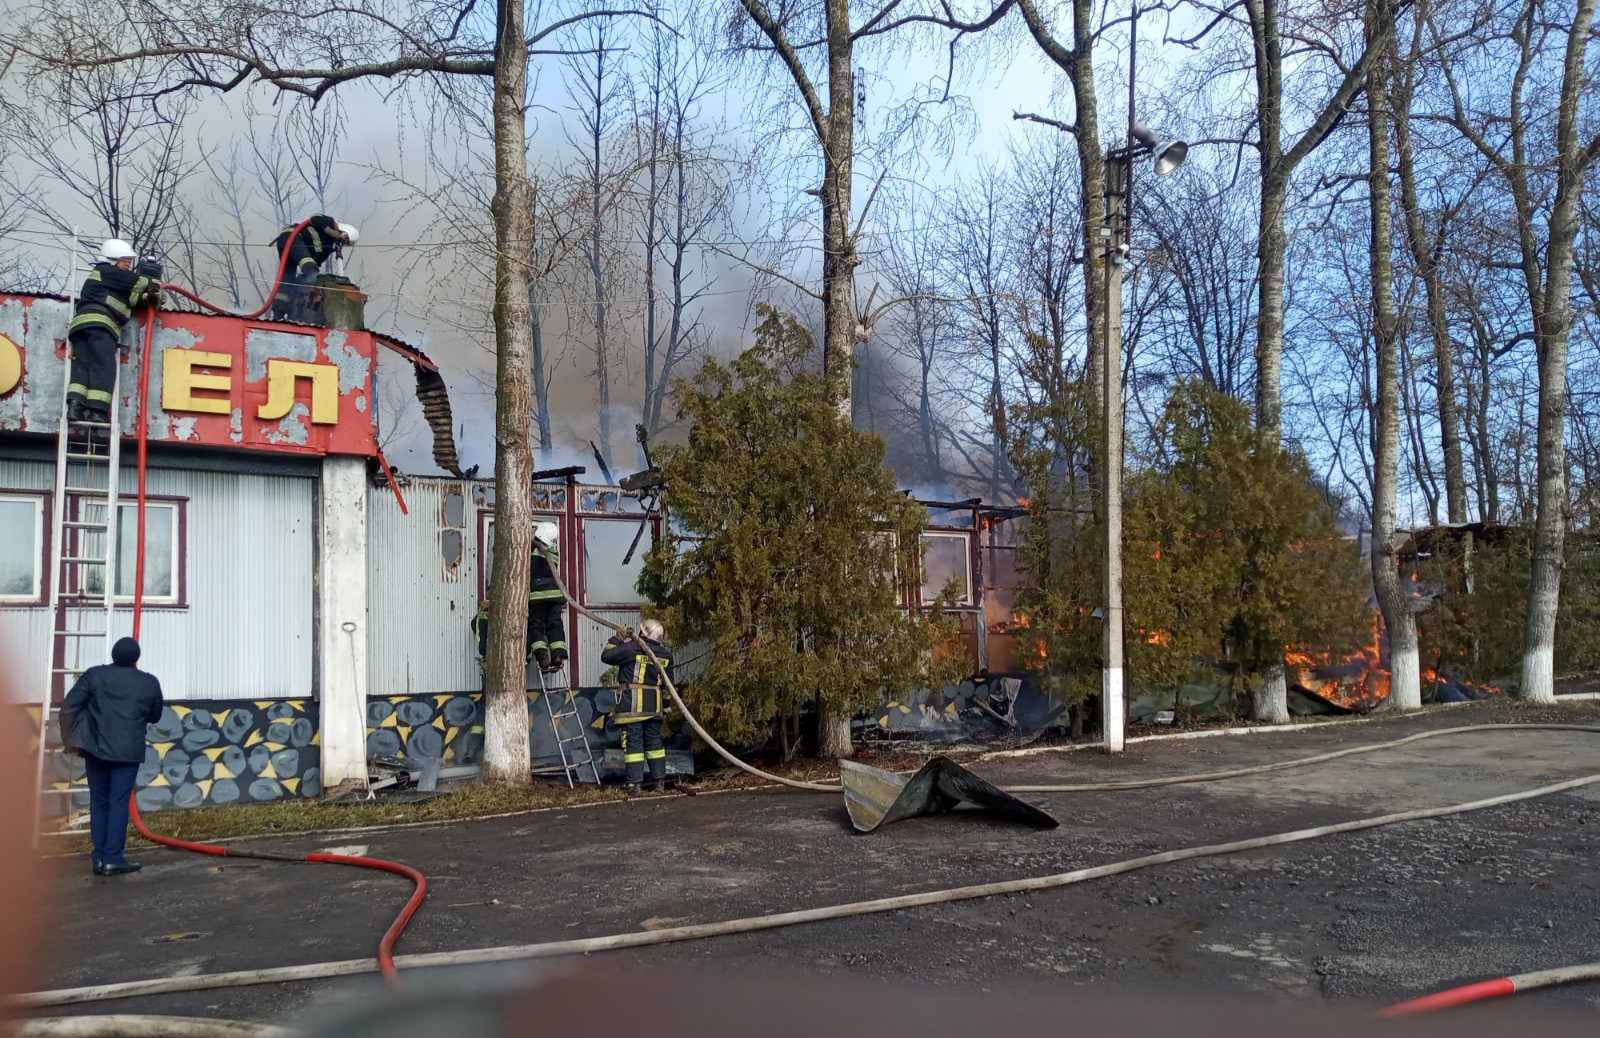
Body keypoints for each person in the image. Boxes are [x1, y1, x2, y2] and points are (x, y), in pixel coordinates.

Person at [58, 637, 163, 876]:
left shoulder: (94, 675)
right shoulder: (148, 682)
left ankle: (99, 858)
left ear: (114, 655)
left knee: (99, 801)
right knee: (118, 803)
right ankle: (113, 858)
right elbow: (155, 715)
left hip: (95, 750)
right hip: (127, 753)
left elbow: (69, 707)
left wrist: (71, 740)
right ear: (136, 658)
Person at [67, 239, 161, 422]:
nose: (128, 264)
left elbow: (131, 300)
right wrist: (153, 282)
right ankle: (97, 411)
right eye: (125, 260)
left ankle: (75, 407)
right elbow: (138, 282)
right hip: (101, 325)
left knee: (82, 366)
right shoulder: (106, 270)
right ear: (113, 259)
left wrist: (150, 299)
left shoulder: (108, 281)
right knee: (103, 366)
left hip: (81, 326)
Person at [602, 619, 673, 792]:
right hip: (654, 707)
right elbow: (669, 684)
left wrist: (617, 638)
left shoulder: (631, 648)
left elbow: (607, 656)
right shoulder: (665, 654)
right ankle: (659, 783)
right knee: (655, 744)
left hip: (632, 707)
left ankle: (635, 784)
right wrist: (666, 705)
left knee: (634, 745)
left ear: (642, 633)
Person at [269, 216, 357, 322]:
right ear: (344, 232)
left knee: (288, 280)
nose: (343, 243)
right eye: (345, 240)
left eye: (345, 243)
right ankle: (302, 307)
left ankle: (279, 313)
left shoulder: (327, 248)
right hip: (293, 237)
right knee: (311, 272)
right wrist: (336, 234)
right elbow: (315, 219)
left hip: (289, 243)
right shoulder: (330, 222)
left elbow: (316, 263)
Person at [529, 521, 567, 673]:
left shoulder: (533, 550)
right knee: (555, 624)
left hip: (538, 595)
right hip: (556, 594)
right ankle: (557, 655)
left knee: (536, 624)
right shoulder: (554, 551)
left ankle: (542, 656)